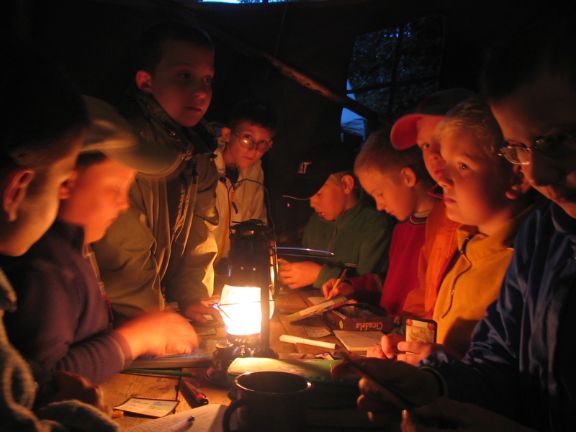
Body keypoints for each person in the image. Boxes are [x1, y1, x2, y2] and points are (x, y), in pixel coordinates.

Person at [333, 9, 576, 432]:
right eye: (519, 146)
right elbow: (496, 366)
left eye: (554, 141)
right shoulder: (544, 236)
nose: (537, 173)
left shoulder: (518, 238)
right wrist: (429, 385)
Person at [4, 96, 200, 385]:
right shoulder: (45, 265)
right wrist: (135, 338)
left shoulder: (78, 249)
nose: (123, 204)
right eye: (115, 188)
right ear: (67, 180)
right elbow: (43, 380)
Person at [0, 41, 118, 431]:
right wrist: (83, 419)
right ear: (17, 189)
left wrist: (41, 389)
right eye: (63, 181)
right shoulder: (43, 269)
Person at [374, 96, 533, 364]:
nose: (442, 178)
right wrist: (410, 349)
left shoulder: (526, 266)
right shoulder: (465, 246)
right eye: (426, 146)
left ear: (516, 176)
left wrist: (445, 367)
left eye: (462, 166)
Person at [93, 22, 220, 323]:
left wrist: (192, 298)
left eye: (207, 79)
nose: (201, 92)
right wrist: (147, 321)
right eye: (184, 76)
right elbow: (124, 251)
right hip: (114, 320)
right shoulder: (126, 145)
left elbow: (201, 238)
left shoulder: (198, 153)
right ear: (145, 81)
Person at [324, 130, 437, 316]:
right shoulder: (401, 230)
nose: (378, 206)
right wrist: (352, 287)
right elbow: (391, 286)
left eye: (380, 193)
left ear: (407, 177)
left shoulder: (444, 231)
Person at [390, 88, 473, 319]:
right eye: (425, 145)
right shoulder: (439, 214)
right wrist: (406, 333)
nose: (433, 154)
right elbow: (425, 291)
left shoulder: (493, 218)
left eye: (441, 141)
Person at [278, 144, 393, 290]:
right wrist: (290, 271)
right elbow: (305, 265)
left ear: (346, 184)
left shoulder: (375, 226)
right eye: (309, 195)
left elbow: (371, 286)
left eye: (318, 194)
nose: (312, 203)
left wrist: (319, 275)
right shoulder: (316, 222)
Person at [213, 100, 275, 263]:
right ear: (227, 135)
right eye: (247, 139)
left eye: (263, 143)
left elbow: (257, 221)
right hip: (196, 270)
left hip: (231, 267)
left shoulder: (255, 173)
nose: (254, 150)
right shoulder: (206, 166)